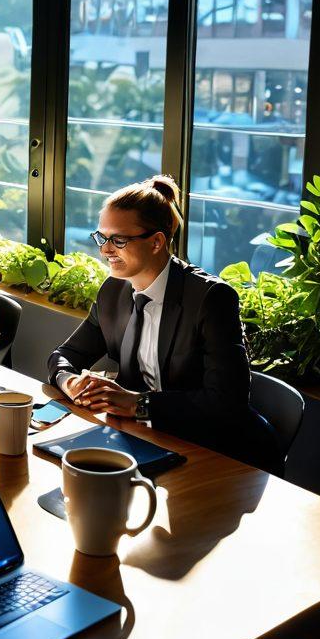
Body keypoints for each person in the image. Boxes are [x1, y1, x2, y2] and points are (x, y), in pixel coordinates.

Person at [47, 175, 280, 472]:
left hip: (219, 452)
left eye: (118, 239)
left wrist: (138, 404)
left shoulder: (211, 299)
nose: (105, 250)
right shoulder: (113, 291)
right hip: (148, 440)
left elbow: (226, 404)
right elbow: (64, 355)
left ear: (156, 241)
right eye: (101, 237)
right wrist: (71, 382)